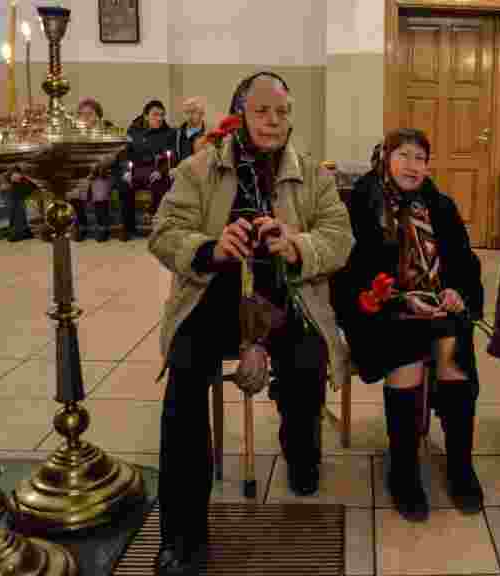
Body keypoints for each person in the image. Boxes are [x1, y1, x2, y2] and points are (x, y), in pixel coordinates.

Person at [148, 72, 353, 575]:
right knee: (184, 383)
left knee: (307, 362)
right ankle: (181, 533)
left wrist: (297, 243)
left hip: (289, 299)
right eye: (262, 111)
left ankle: (300, 448)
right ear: (241, 113)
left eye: (282, 112)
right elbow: (163, 233)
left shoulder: (313, 174)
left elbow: (340, 240)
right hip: (212, 301)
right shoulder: (198, 170)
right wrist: (210, 246)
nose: (273, 121)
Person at [335, 129, 485, 522]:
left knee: (454, 345)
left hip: (434, 306)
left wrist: (456, 292)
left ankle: (460, 465)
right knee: (408, 351)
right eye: (404, 156)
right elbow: (350, 273)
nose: (412, 166)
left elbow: (465, 262)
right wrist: (401, 299)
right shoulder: (363, 202)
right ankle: (403, 471)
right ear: (386, 157)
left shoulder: (440, 204)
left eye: (420, 158)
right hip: (379, 309)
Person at [116, 99, 175, 241]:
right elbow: (124, 154)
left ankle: (158, 227)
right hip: (135, 170)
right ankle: (128, 227)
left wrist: (160, 171)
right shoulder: (133, 131)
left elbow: (171, 156)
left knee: (162, 183)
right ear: (146, 116)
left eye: (162, 115)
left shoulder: (169, 133)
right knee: (124, 185)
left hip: (155, 171)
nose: (159, 118)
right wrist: (126, 171)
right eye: (155, 115)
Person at [70, 98, 118, 242]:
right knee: (74, 191)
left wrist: (97, 166)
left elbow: (113, 154)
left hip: (102, 173)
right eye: (82, 114)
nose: (85, 117)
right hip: (81, 173)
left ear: (98, 115)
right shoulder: (75, 134)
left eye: (89, 114)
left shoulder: (108, 131)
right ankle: (81, 225)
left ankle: (103, 226)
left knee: (99, 190)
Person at [173, 97, 206, 165]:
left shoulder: (208, 134)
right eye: (187, 112)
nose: (190, 116)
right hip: (180, 173)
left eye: (193, 112)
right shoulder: (177, 133)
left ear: (202, 113)